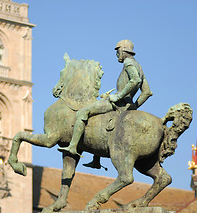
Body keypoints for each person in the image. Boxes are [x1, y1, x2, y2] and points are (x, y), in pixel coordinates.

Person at [58, 40, 153, 168]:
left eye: (118, 51)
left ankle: (72, 146)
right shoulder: (139, 66)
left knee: (83, 112)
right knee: (98, 119)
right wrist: (133, 106)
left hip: (117, 103)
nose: (117, 54)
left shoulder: (128, 63)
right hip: (126, 104)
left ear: (124, 50)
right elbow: (147, 92)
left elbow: (135, 80)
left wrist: (118, 96)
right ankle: (96, 161)